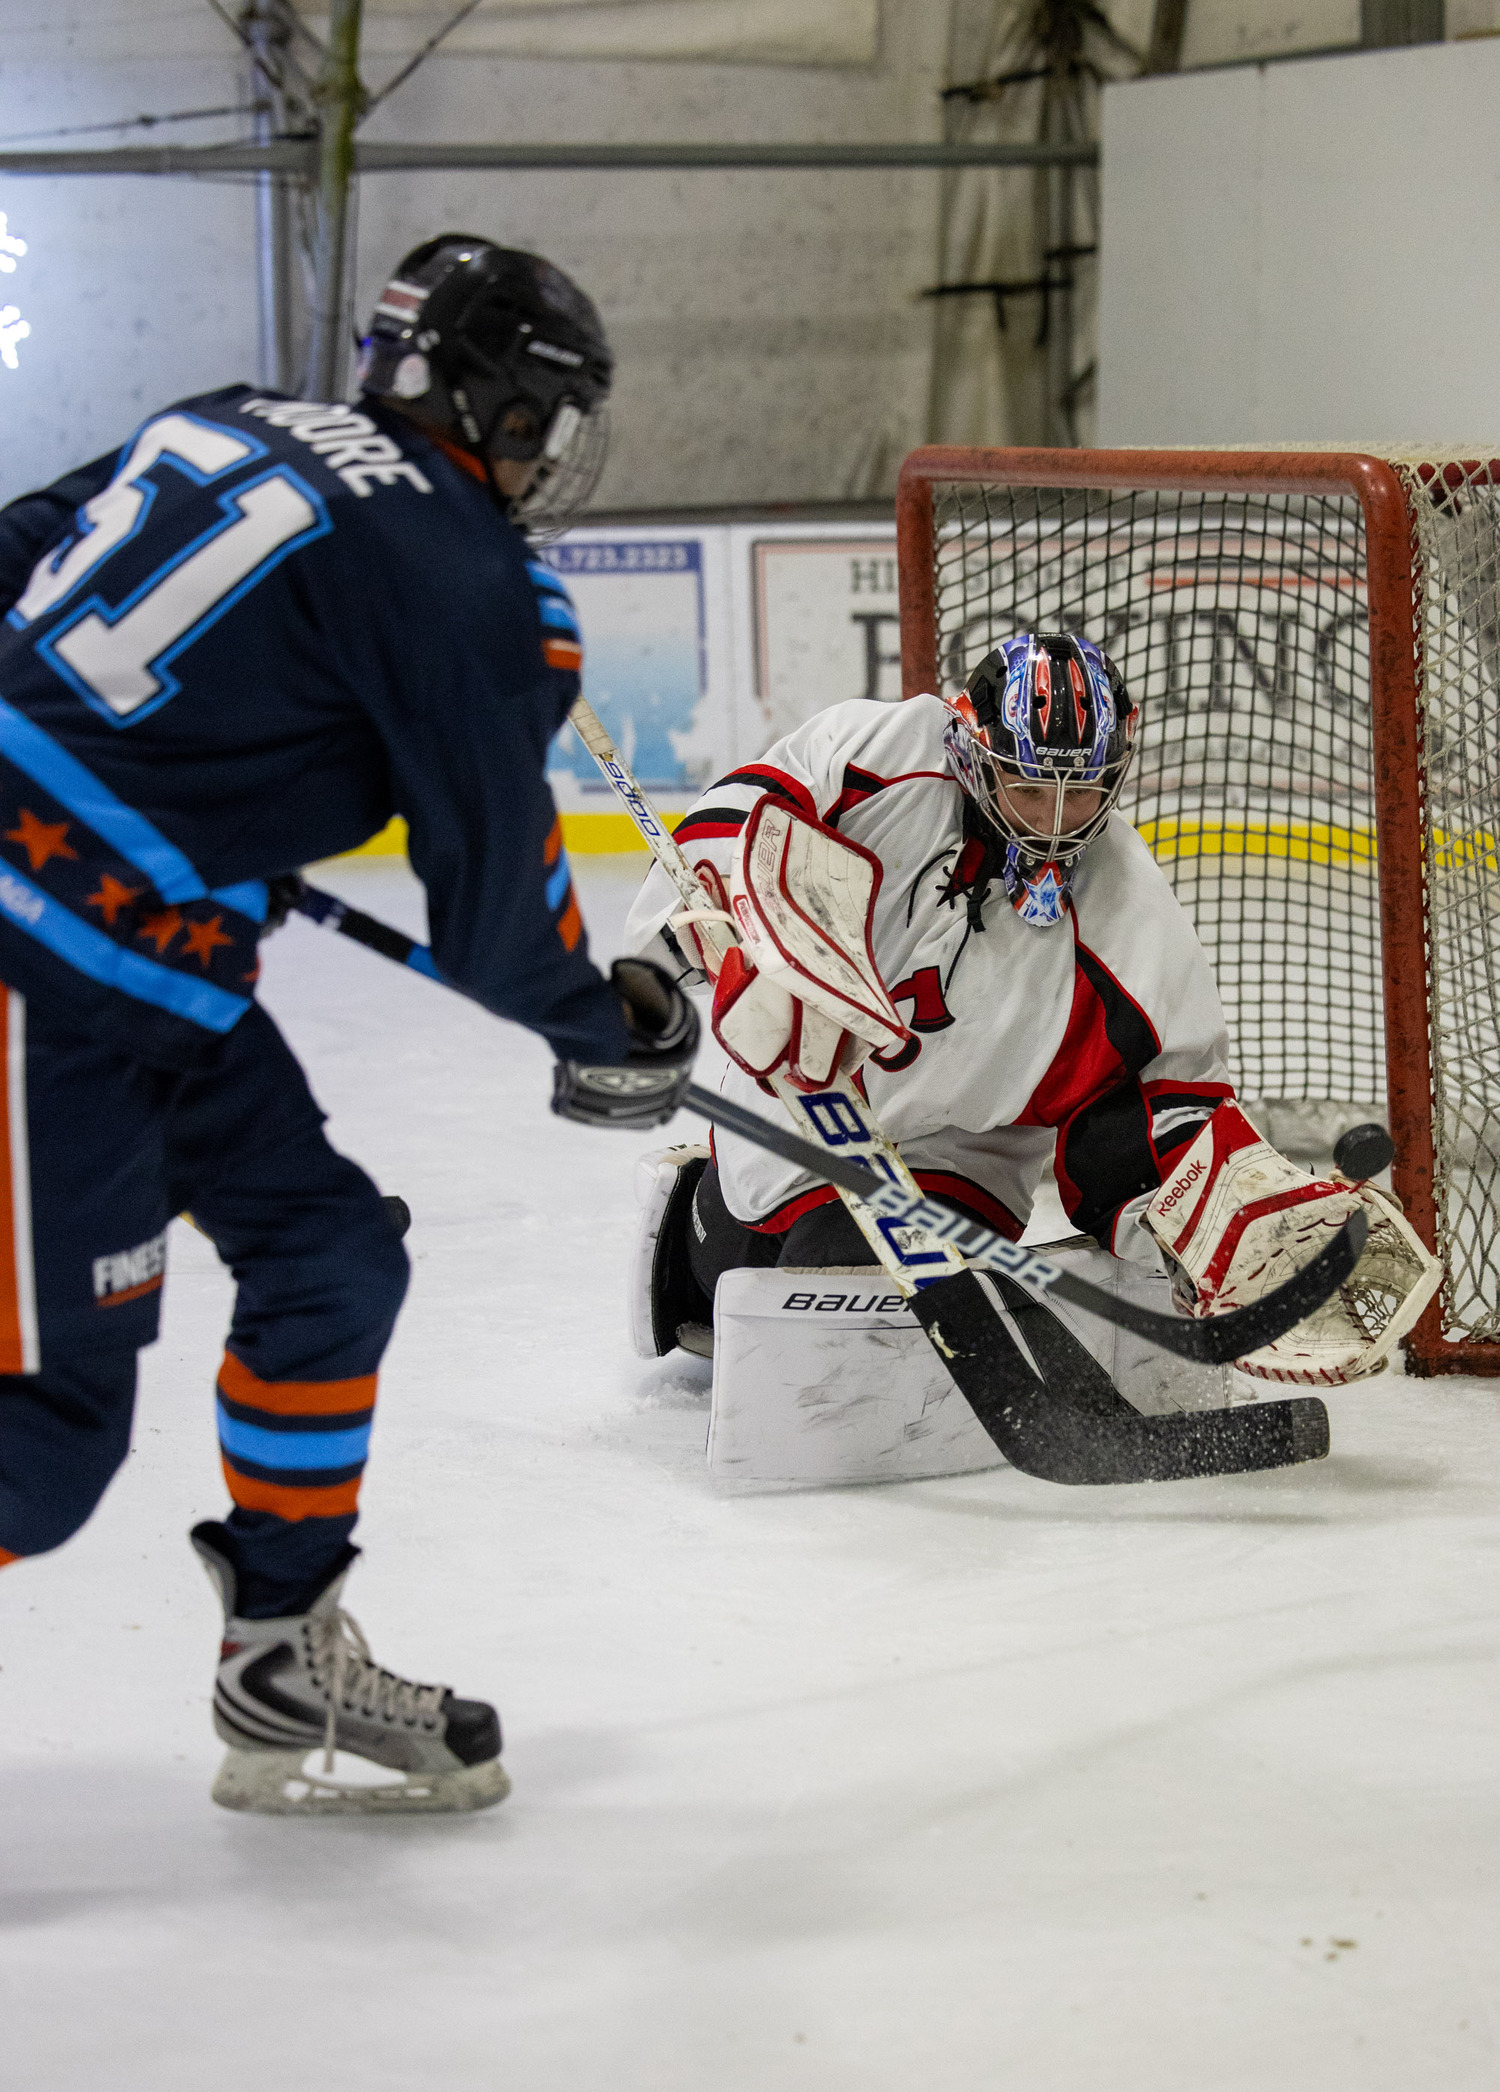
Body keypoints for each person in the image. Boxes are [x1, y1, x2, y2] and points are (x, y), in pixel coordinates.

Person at [0, 233, 695, 1815]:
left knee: (329, 1256)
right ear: (500, 404)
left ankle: (278, 1650)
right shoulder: (467, 572)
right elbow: (500, 911)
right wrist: (614, 1024)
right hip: (44, 985)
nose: (544, 454)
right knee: (39, 1447)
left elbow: (16, 551)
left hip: (144, 968)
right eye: (542, 415)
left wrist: (155, 796)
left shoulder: (225, 417)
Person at [624, 632, 1436, 1400]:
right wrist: (735, 931)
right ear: (973, 749)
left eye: (1082, 789)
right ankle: (698, 1203)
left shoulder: (1130, 916)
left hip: (956, 1153)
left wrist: (1233, 1203)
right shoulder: (881, 755)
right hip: (794, 1099)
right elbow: (744, 817)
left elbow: (1165, 1103)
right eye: (1028, 784)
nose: (1053, 821)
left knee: (836, 1283)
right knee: (732, 1278)